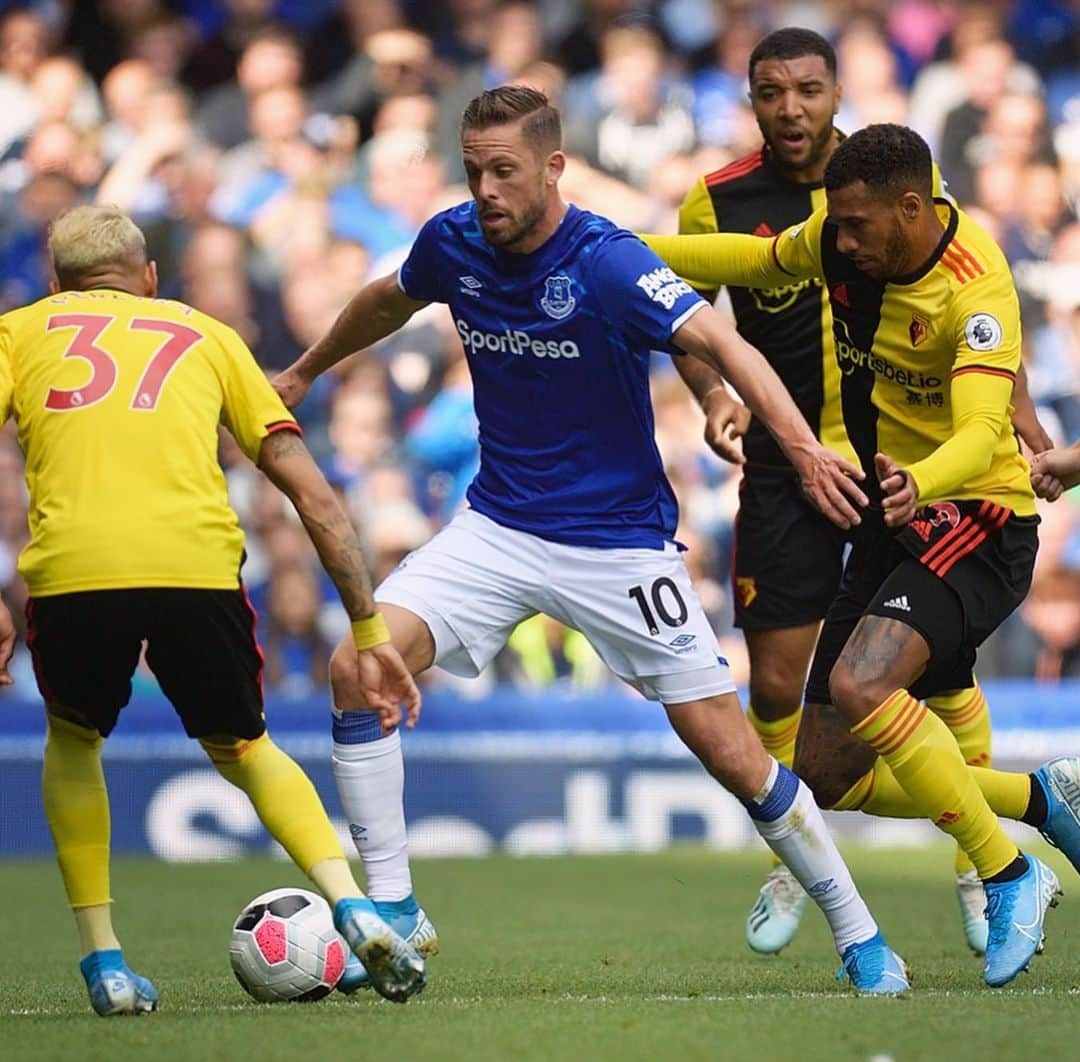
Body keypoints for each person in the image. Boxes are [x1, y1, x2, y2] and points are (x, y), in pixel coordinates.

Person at [274, 84, 912, 996]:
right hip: (496, 526)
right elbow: (387, 299)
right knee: (356, 668)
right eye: (473, 171)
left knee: (733, 754)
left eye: (504, 171)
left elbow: (727, 346)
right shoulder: (453, 241)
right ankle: (397, 910)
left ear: (553, 167)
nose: (486, 190)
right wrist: (302, 372)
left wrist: (805, 452)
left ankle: (861, 935)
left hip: (618, 545)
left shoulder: (609, 260)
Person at [642, 123, 1080, 988]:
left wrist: (920, 481)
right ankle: (1039, 802)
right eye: (833, 227)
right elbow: (754, 262)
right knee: (829, 773)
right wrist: (607, 246)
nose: (835, 242)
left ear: (910, 210)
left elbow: (984, 432)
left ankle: (1007, 870)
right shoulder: (848, 245)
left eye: (852, 225)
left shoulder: (977, 288)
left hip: (976, 518)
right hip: (895, 519)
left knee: (860, 685)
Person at [0, 205, 426, 1015]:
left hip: (75, 571)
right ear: (150, 277)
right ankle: (354, 905)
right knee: (245, 745)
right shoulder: (206, 334)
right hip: (195, 567)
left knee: (75, 736)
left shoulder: (19, 331)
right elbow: (310, 492)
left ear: (57, 283)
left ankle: (106, 962)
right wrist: (367, 624)